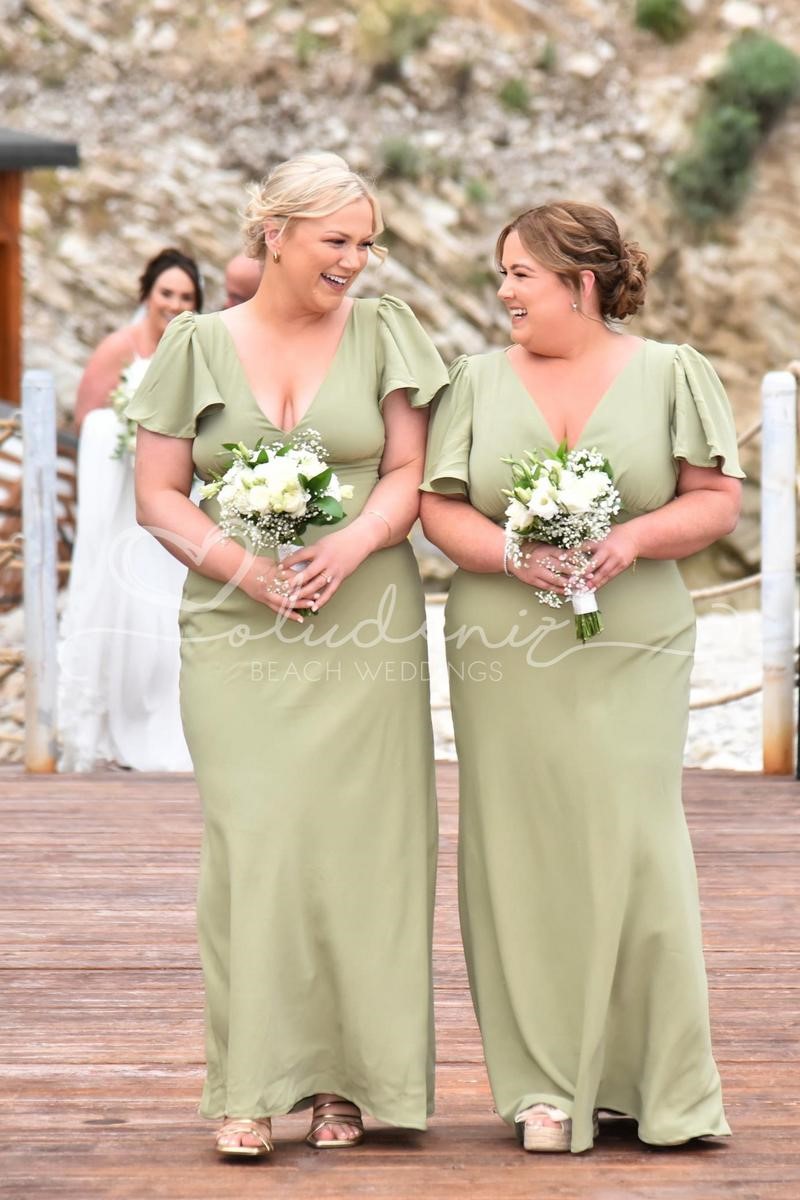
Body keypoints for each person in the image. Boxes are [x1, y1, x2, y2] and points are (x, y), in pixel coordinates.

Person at [126, 152, 448, 1158]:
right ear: (274, 234)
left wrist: (353, 544)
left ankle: (347, 1085)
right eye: (335, 240)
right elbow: (158, 496)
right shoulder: (195, 345)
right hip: (235, 629)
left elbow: (410, 470)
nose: (354, 260)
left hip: (364, 621)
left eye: (366, 243)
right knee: (255, 845)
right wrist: (247, 572)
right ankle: (250, 1086)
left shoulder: (386, 332)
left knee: (362, 850)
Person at [420, 201, 742, 1154]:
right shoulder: (474, 381)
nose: (504, 291)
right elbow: (440, 510)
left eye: (521, 273)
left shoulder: (671, 373)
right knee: (520, 849)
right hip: (504, 645)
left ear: (581, 283)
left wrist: (632, 538)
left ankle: (659, 1083)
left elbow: (715, 502)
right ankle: (544, 1087)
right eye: (503, 273)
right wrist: (510, 553)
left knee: (637, 843)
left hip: (633, 641)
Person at [59, 248, 203, 772]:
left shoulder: (197, 350)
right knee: (127, 611)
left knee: (170, 618)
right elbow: (85, 422)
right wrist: (123, 432)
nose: (174, 304)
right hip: (124, 505)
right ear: (147, 293)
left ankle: (173, 723)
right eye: (167, 293)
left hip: (178, 504)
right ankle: (118, 721)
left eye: (186, 296)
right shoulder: (119, 347)